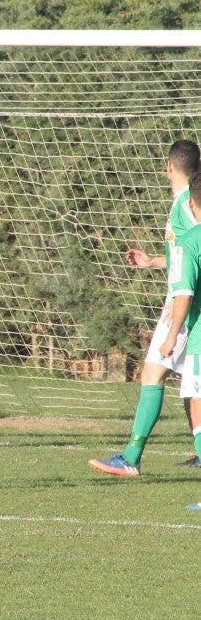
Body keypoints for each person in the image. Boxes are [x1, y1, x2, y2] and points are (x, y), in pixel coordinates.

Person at [92, 141, 201, 476]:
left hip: (183, 306)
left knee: (155, 375)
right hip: (183, 300)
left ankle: (131, 456)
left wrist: (181, 299)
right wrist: (154, 261)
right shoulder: (185, 203)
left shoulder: (186, 204)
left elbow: (192, 254)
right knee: (190, 386)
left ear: (168, 167)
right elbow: (184, 255)